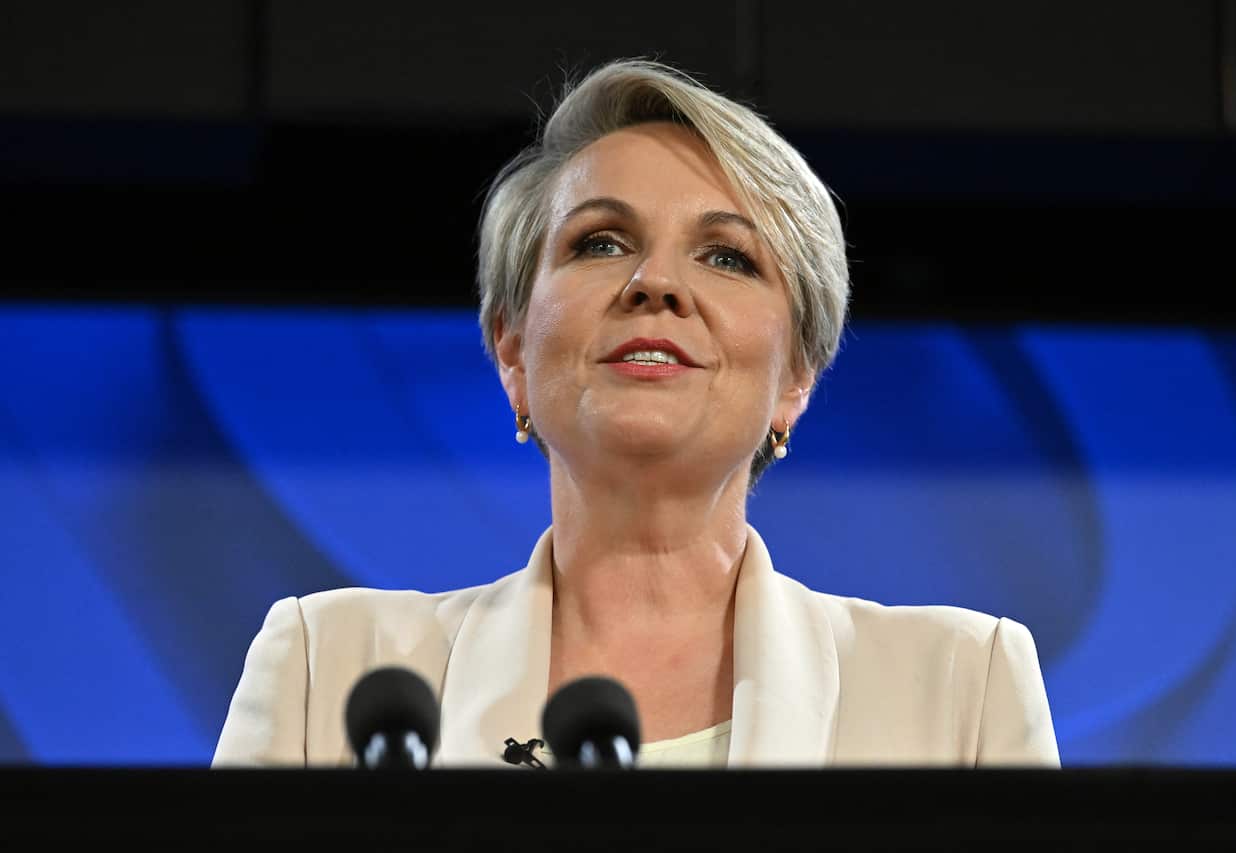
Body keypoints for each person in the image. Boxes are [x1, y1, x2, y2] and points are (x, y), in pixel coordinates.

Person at [212, 59, 1059, 768]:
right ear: (511, 350)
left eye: (726, 255)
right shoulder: (330, 669)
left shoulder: (959, 686)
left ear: (796, 377)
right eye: (600, 242)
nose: (656, 284)